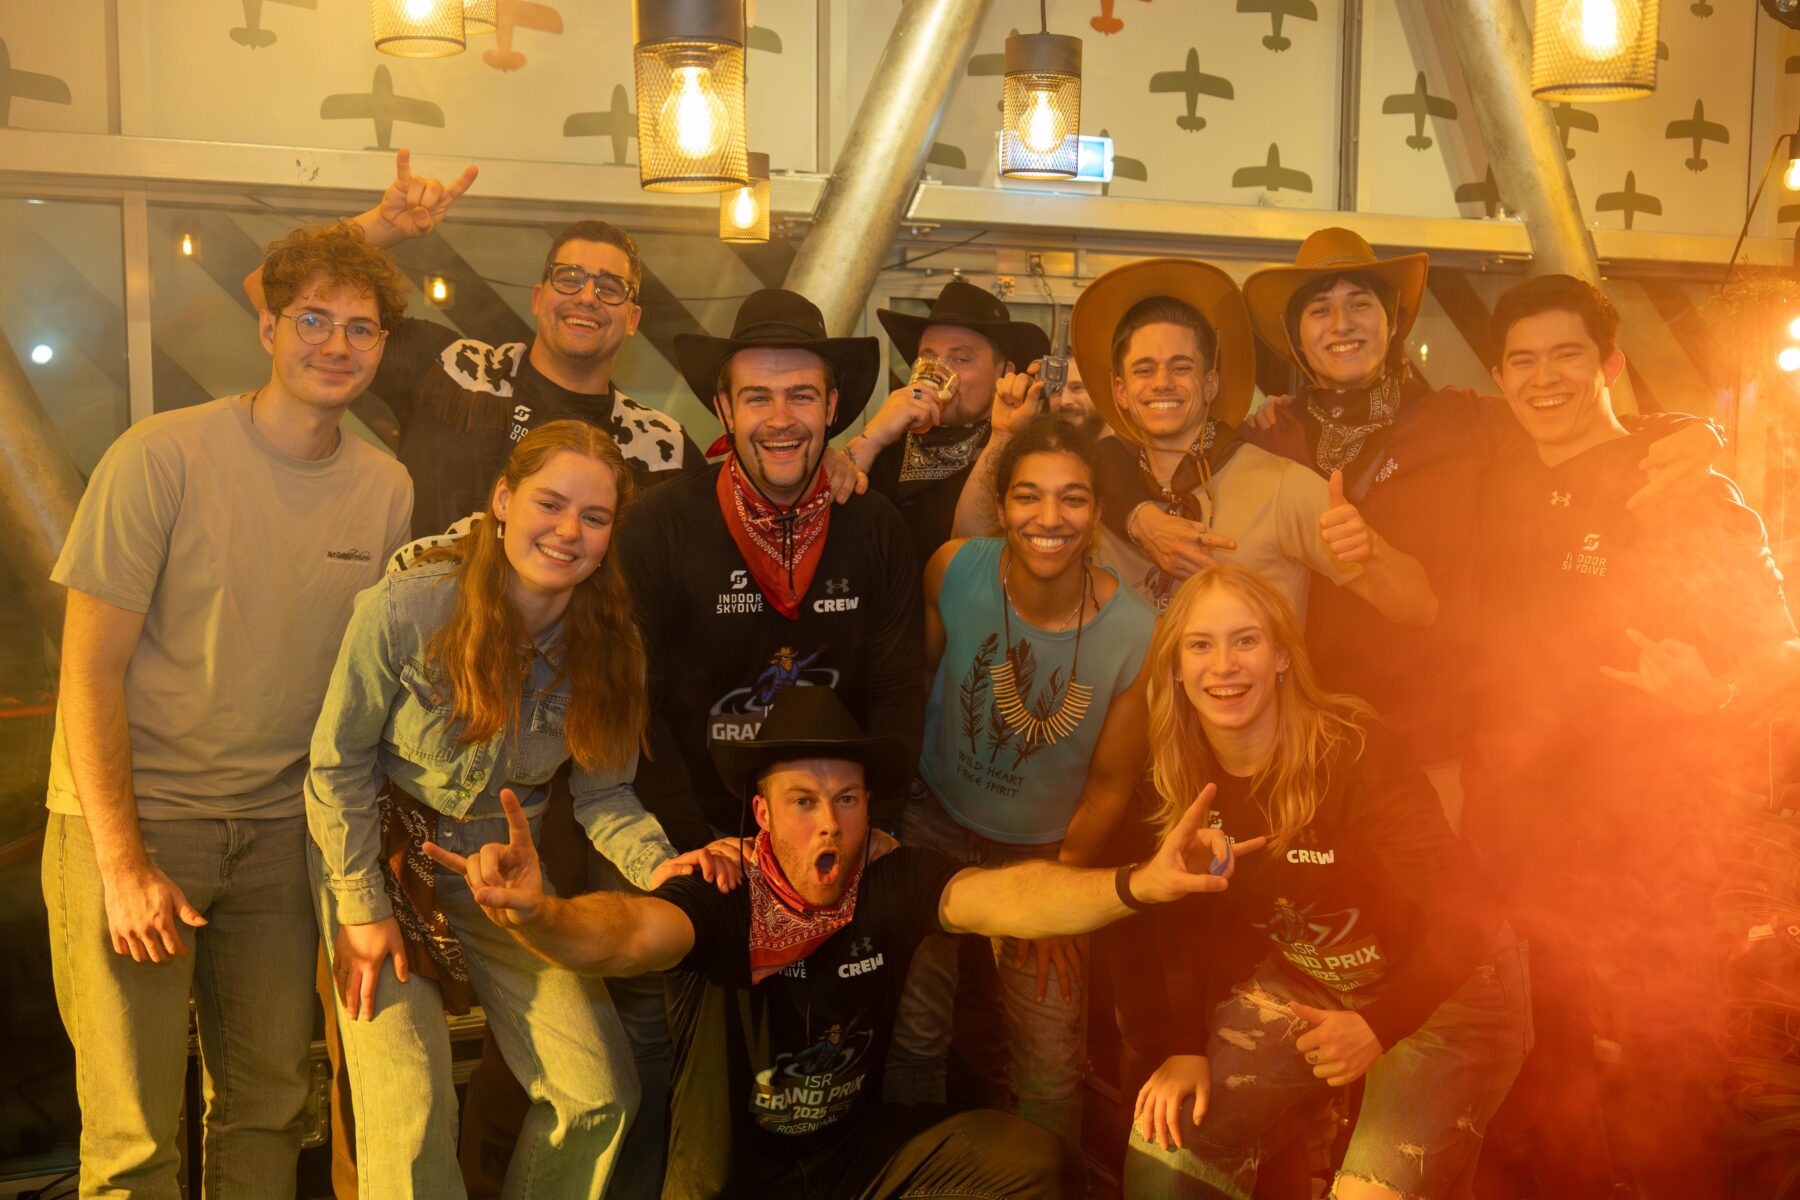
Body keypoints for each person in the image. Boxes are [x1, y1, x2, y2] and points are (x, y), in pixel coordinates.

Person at [424, 684, 1261, 1198]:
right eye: (803, 801)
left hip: (854, 1171)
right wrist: (542, 914)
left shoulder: (888, 879)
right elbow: (626, 934)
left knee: (1031, 1162)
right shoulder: (722, 890)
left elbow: (1008, 896)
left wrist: (1137, 884)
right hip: (731, 1186)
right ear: (761, 813)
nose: (829, 822)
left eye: (848, 800)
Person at [41, 221, 414, 1196]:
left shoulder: (385, 488)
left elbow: (368, 689)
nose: (336, 345)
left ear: (382, 347)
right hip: (139, 823)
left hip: (282, 833)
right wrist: (122, 865)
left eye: (361, 329)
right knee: (132, 1139)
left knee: (269, 1105)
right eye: (313, 319)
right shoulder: (159, 455)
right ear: (268, 326)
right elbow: (88, 670)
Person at [304, 420, 736, 1199]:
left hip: (504, 870)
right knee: (411, 1113)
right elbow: (337, 764)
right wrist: (361, 909)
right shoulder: (406, 608)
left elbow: (605, 793)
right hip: (380, 849)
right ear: (504, 500)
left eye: (594, 517)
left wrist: (665, 871)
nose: (569, 531)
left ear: (610, 536)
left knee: (599, 1094)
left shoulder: (613, 648)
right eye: (550, 503)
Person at [1462, 275, 1797, 1198]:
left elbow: (1783, 651)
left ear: (1609, 364)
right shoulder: (1502, 478)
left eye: (1567, 355)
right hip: (1522, 838)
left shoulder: (1681, 489)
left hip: (1652, 844)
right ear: (1499, 378)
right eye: (1524, 361)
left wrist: (1715, 693)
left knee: (1665, 1074)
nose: (1545, 378)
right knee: (1541, 1072)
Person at [1231, 227, 1728, 810]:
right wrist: (1144, 515)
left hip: (1439, 740)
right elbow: (1172, 466)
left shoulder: (1461, 418)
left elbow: (1580, 419)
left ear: (1392, 322)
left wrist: (1697, 432)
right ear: (1297, 336)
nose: (1341, 324)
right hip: (1303, 738)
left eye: (1360, 304)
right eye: (1319, 310)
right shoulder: (1271, 438)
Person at [1124, 564, 1528, 1200]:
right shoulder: (1174, 768)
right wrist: (1183, 1045)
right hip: (1311, 979)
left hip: (1451, 990)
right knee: (1167, 1139)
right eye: (1201, 645)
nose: (1224, 665)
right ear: (1176, 667)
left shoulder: (1352, 751)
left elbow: (1473, 912)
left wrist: (1380, 1023)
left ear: (1283, 656)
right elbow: (1178, 915)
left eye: (1246, 640)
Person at [885, 417, 1157, 1141]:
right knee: (913, 1032)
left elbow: (1110, 786)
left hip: (1046, 853)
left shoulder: (1137, 631)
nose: (1049, 517)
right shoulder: (954, 570)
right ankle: (913, 1169)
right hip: (933, 825)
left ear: (1096, 512)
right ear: (1002, 506)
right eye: (1029, 495)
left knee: (1049, 1063)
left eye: (1073, 498)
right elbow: (917, 684)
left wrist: (1062, 888)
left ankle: (1046, 1181)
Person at [243, 149, 703, 537]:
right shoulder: (451, 370)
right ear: (538, 298)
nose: (587, 297)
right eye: (569, 278)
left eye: (610, 287)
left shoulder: (660, 447)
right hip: (423, 620)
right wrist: (383, 227)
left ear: (632, 319)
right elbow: (266, 289)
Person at [617, 287, 928, 849]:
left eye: (801, 396)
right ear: (725, 409)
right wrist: (693, 844)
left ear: (831, 408)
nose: (780, 420)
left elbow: (898, 691)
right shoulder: (657, 524)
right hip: (700, 835)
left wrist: (879, 822)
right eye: (757, 397)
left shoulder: (877, 525)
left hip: (839, 833)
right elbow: (637, 704)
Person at [1069, 257, 1437, 627]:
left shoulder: (1282, 485)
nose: (1162, 382)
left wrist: (1372, 551)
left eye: (1181, 367)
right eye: (1144, 370)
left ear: (1211, 384)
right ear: (1121, 391)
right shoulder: (1099, 495)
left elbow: (1418, 608)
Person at [844, 279, 1051, 562]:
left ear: (1004, 373)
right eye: (928, 357)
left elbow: (973, 558)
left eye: (961, 359)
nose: (937, 371)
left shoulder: (1025, 448)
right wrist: (872, 438)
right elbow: (822, 514)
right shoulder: (889, 441)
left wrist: (1003, 435)